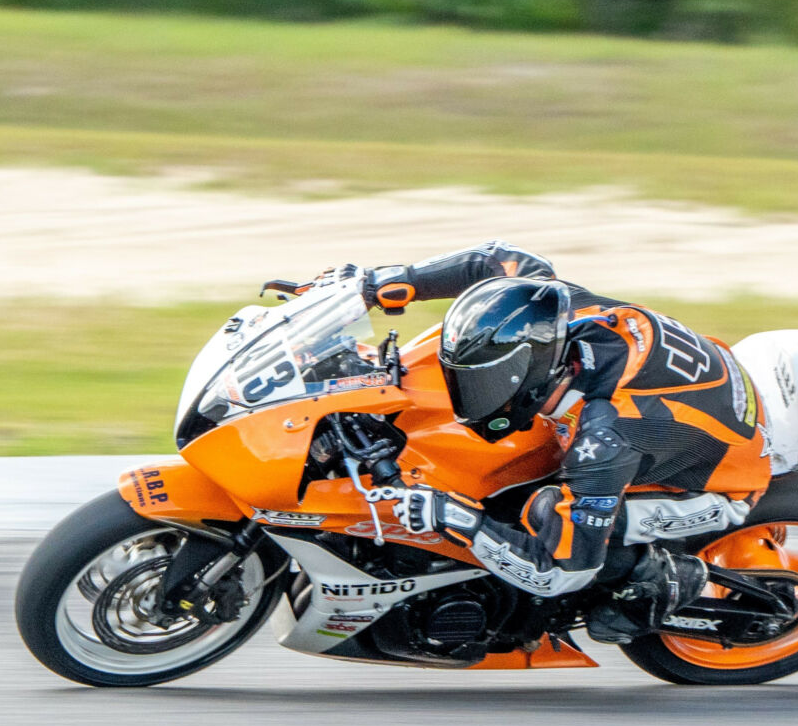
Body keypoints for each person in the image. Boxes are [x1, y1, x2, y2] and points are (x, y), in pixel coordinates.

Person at [298, 241, 772, 642]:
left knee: (541, 511)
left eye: (482, 386)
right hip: (687, 405)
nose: (472, 397)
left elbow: (559, 572)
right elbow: (496, 259)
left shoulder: (604, 442)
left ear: (525, 377)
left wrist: (453, 515)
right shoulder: (550, 308)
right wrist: (383, 282)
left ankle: (655, 579)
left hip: (715, 485)